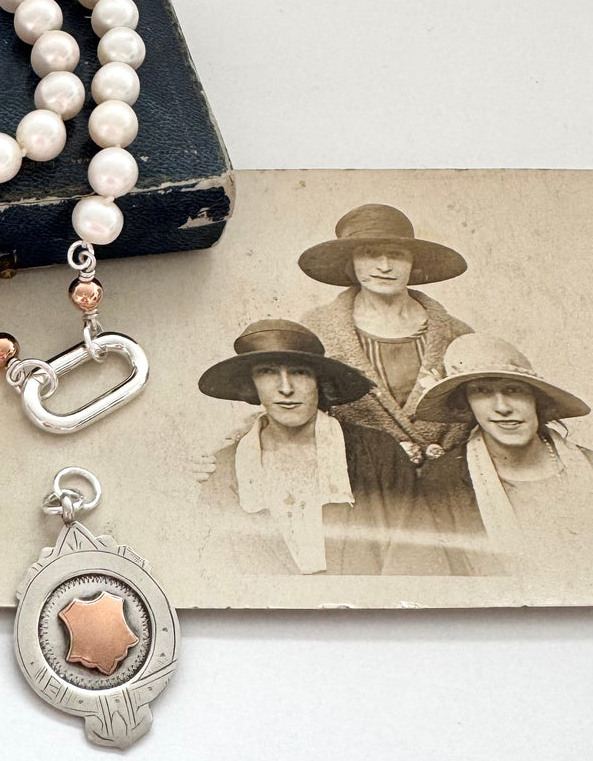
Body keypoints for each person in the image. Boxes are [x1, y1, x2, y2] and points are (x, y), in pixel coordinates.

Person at [197, 319, 418, 575]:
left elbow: (413, 556)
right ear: (252, 384)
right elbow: (215, 566)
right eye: (267, 372)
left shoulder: (379, 452)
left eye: (300, 372)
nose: (286, 389)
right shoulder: (224, 469)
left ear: (319, 381)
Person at [298, 203, 473, 465]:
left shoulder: (457, 334)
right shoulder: (317, 329)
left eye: (396, 254)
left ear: (413, 262)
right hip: (356, 479)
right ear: (351, 261)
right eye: (369, 253)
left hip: (446, 482)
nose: (385, 266)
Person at [408, 333, 593, 578]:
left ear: (536, 399)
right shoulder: (444, 480)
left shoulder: (587, 465)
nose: (503, 407)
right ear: (467, 404)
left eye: (514, 390)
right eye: (482, 392)